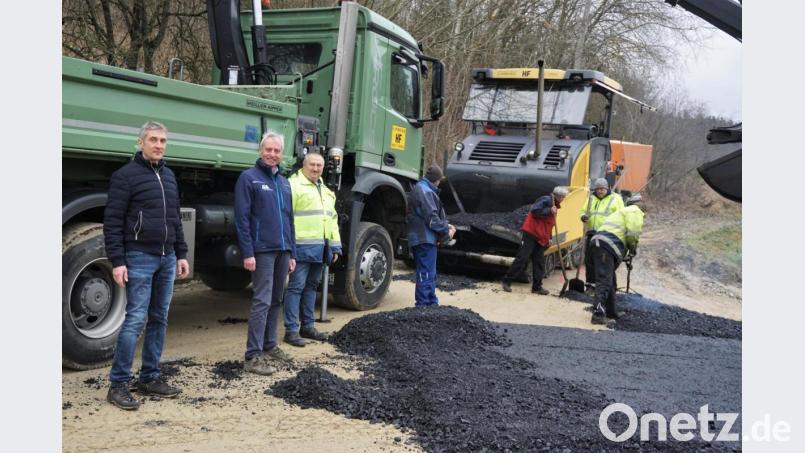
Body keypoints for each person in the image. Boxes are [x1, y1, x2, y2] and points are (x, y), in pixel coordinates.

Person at [103, 121, 190, 411]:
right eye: (153, 139)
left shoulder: (169, 176)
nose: (159, 145)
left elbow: (175, 219)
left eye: (163, 141)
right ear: (140, 143)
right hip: (139, 256)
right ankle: (118, 384)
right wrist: (118, 261)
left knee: (160, 318)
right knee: (136, 319)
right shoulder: (125, 176)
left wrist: (181, 253)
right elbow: (113, 222)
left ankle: (150, 377)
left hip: (166, 257)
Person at [234, 132, 297, 375]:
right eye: (268, 150)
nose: (272, 154)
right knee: (261, 300)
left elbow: (289, 220)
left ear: (282, 154)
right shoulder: (248, 179)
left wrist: (292, 252)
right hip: (261, 251)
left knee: (276, 299)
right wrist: (248, 252)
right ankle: (252, 356)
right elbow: (242, 219)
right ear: (261, 151)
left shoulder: (284, 182)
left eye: (277, 151)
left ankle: (270, 346)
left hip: (283, 251)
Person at [282, 153, 341, 347]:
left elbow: (332, 221)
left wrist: (334, 246)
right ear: (304, 166)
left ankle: (307, 326)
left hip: (320, 248)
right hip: (300, 247)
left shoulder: (325, 190)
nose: (315, 169)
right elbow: (286, 218)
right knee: (296, 287)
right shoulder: (293, 185)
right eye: (312, 165)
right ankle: (291, 330)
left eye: (319, 166)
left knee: (311, 288)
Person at [589, 194, 645, 325]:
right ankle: (597, 314)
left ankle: (611, 311)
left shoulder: (622, 212)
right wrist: (633, 249)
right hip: (606, 245)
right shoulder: (635, 211)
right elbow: (633, 234)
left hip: (599, 244)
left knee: (610, 281)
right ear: (639, 204)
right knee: (604, 281)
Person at [502, 186, 568, 295]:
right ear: (558, 196)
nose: (563, 199)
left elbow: (549, 224)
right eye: (563, 197)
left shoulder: (555, 206)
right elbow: (534, 211)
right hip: (531, 233)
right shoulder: (546, 200)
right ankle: (506, 281)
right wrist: (549, 210)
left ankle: (537, 287)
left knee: (539, 262)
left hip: (541, 237)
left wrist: (549, 238)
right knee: (522, 258)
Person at [405, 164, 455, 307]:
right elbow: (432, 219)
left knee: (429, 272)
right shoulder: (425, 191)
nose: (439, 182)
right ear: (435, 180)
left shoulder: (421, 188)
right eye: (439, 179)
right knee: (426, 272)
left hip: (422, 237)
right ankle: (423, 305)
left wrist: (445, 225)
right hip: (424, 238)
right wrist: (447, 230)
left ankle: (432, 304)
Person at [580, 178, 624, 290]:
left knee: (604, 262)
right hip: (591, 233)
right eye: (598, 189)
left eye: (602, 189)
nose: (600, 191)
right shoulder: (591, 198)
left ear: (607, 188)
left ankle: (606, 287)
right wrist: (583, 217)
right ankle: (590, 285)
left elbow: (621, 216)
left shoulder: (616, 199)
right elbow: (583, 211)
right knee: (589, 260)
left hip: (607, 236)